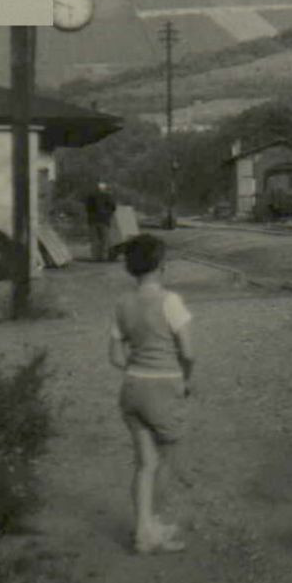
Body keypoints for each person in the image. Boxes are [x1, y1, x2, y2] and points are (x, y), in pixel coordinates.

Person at [108, 234, 194, 554]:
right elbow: (188, 351)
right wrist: (185, 380)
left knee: (144, 463)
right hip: (164, 386)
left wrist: (138, 363)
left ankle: (144, 530)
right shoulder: (170, 301)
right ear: (161, 265)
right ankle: (153, 526)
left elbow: (115, 357)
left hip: (131, 389)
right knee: (166, 460)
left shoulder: (122, 303)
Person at [85, 182, 117, 262]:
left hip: (92, 220)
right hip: (104, 220)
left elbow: (87, 208)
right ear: (104, 188)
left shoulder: (91, 196)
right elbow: (113, 207)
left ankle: (94, 257)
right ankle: (103, 257)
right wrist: (108, 214)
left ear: (97, 188)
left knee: (94, 240)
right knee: (104, 240)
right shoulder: (108, 196)